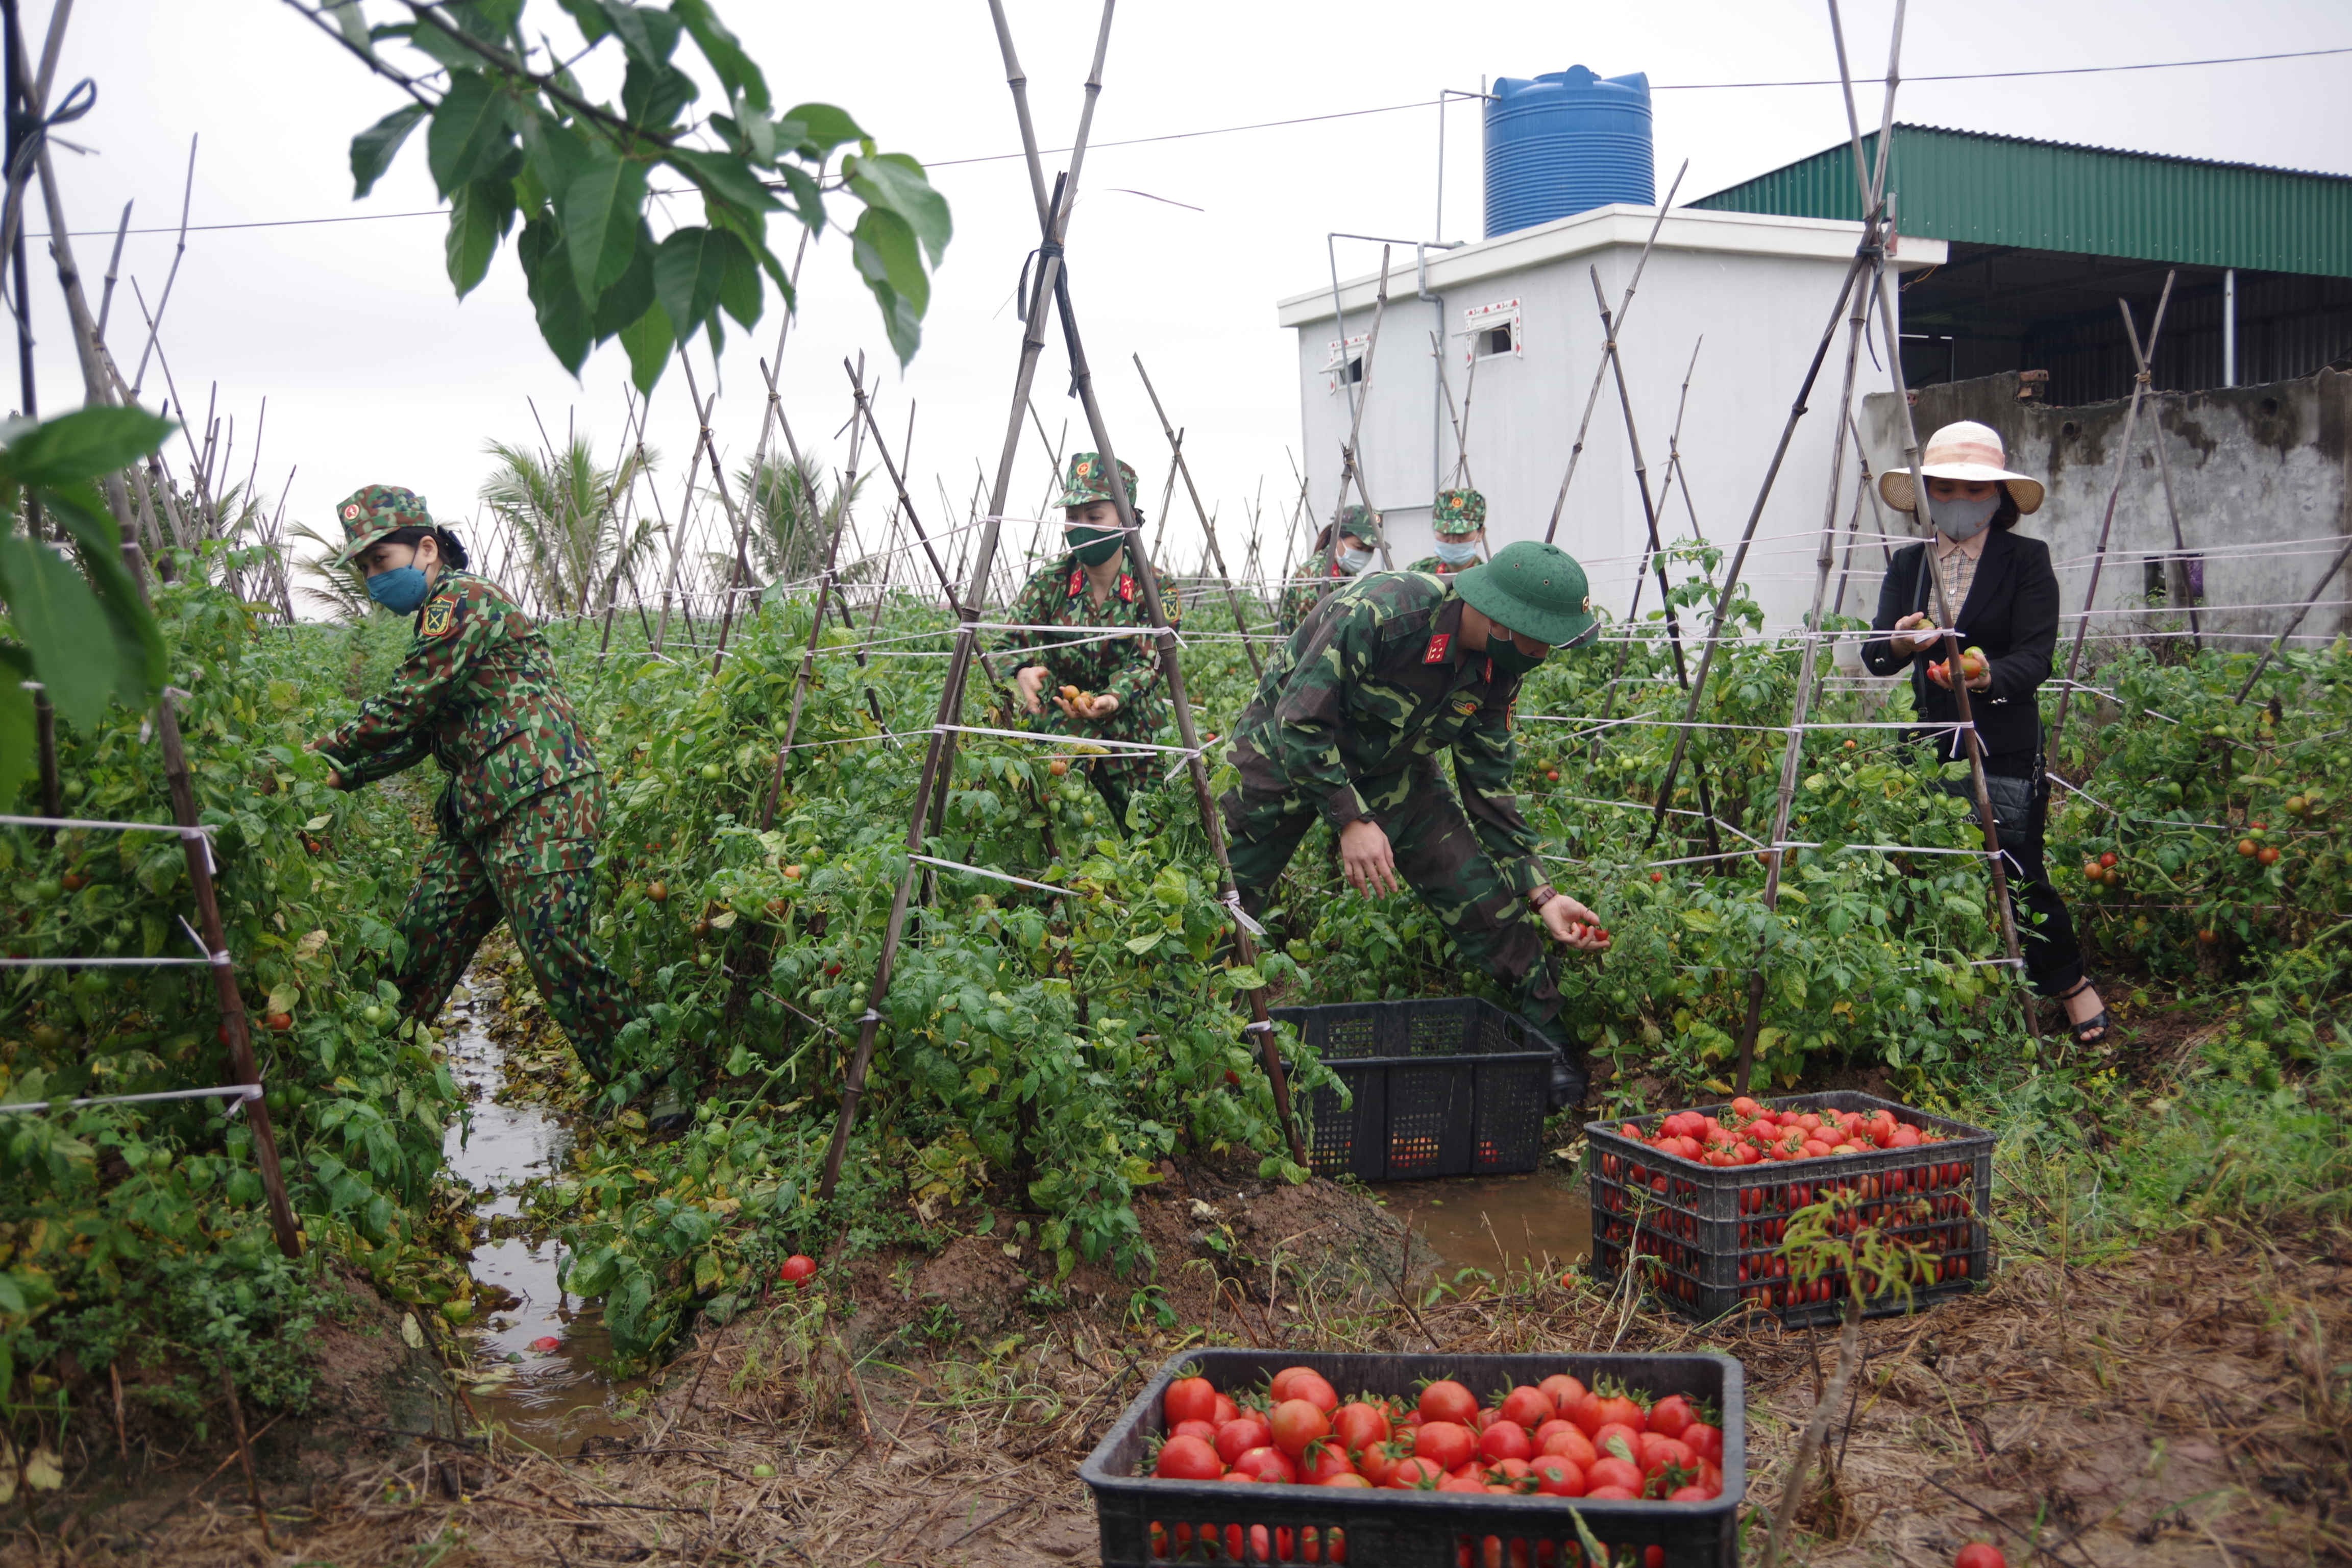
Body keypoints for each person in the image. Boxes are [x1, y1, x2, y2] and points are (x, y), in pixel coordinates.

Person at [1221, 539, 1612, 1108]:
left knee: (1476, 891)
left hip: (1392, 768)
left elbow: (1489, 783)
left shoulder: (1499, 667)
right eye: (1541, 639)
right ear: (1504, 620)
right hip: (1280, 756)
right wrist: (1352, 820)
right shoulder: (1381, 613)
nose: (1546, 653)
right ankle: (1199, 1038)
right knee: (1227, 903)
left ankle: (1546, 1036)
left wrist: (1541, 890)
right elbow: (1300, 724)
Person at [308, 485, 643, 1092]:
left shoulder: (462, 600)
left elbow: (408, 699)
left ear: (428, 549)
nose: (372, 579)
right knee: (422, 939)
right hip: (484, 809)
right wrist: (348, 773)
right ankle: (372, 1081)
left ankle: (647, 1081)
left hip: (544, 797)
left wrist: (326, 751)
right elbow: (420, 731)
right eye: (363, 569)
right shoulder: (439, 618)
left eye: (379, 561)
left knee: (556, 952)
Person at [1861, 421, 2109, 1046]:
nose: (1960, 501)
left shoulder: (2026, 561)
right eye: (1945, 487)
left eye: (1975, 490)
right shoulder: (1912, 565)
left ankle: (2071, 986)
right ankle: (1955, 996)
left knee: (2017, 865)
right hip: (1929, 742)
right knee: (1929, 868)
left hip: (2003, 737)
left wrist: (1984, 675)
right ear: (1926, 495)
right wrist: (1898, 640)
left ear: (1998, 498)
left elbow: (2037, 656)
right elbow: (1876, 654)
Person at [1003, 453, 1183, 832]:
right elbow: (1008, 643)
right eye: (1073, 517)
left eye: (1095, 517)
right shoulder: (1049, 583)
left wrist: (1113, 697)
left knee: (1150, 836)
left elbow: (1152, 661)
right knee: (1046, 831)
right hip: (1060, 727)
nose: (1081, 528)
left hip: (1133, 732)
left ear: (1126, 520)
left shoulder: (1155, 588)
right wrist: (1022, 671)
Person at [1280, 504, 1383, 636]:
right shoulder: (1315, 574)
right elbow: (1308, 637)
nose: (1364, 554)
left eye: (1370, 550)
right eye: (1359, 547)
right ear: (1338, 539)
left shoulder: (1347, 573)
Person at [1406, 487, 1488, 576]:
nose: (1453, 541)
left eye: (1462, 533)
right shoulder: (1418, 573)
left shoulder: (1488, 579)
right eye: (1445, 532)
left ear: (1480, 534)